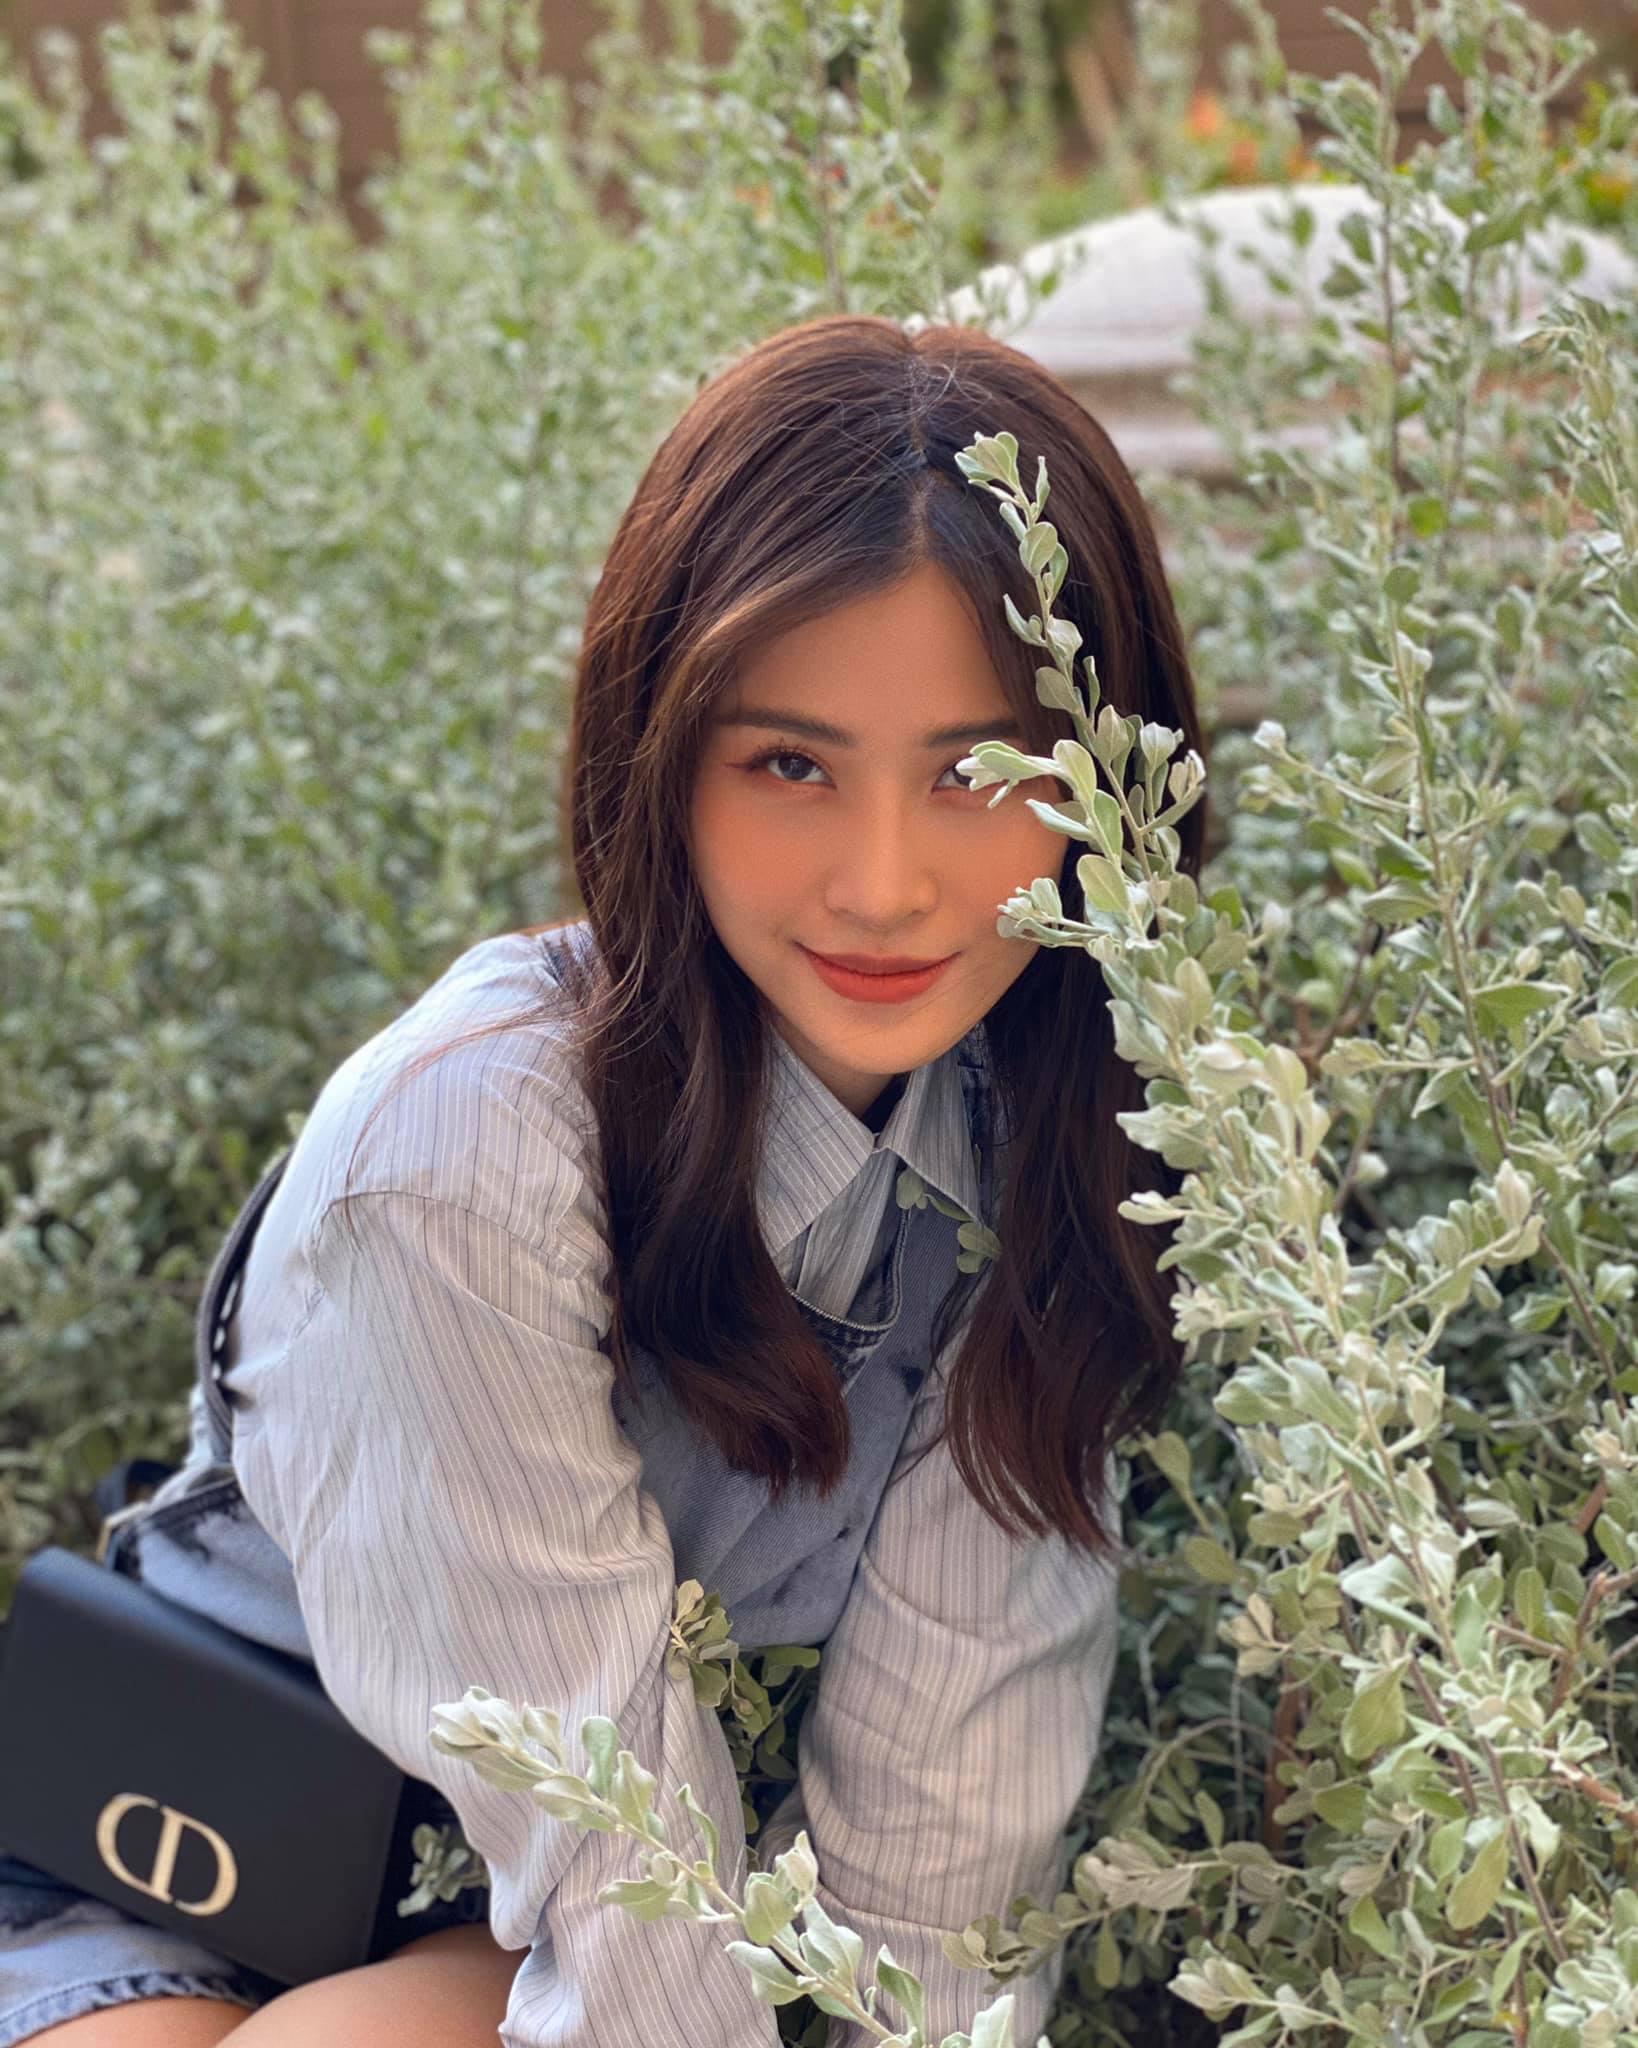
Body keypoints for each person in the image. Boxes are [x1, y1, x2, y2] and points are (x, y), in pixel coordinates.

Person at [0, 310, 1207, 2048]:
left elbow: (938, 1886)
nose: (884, 884)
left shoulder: (1049, 1155)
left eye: (975, 772)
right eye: (789, 764)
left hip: (496, 1933)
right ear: (662, 758)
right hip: (174, 1871)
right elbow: (613, 1865)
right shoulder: (469, 1150)